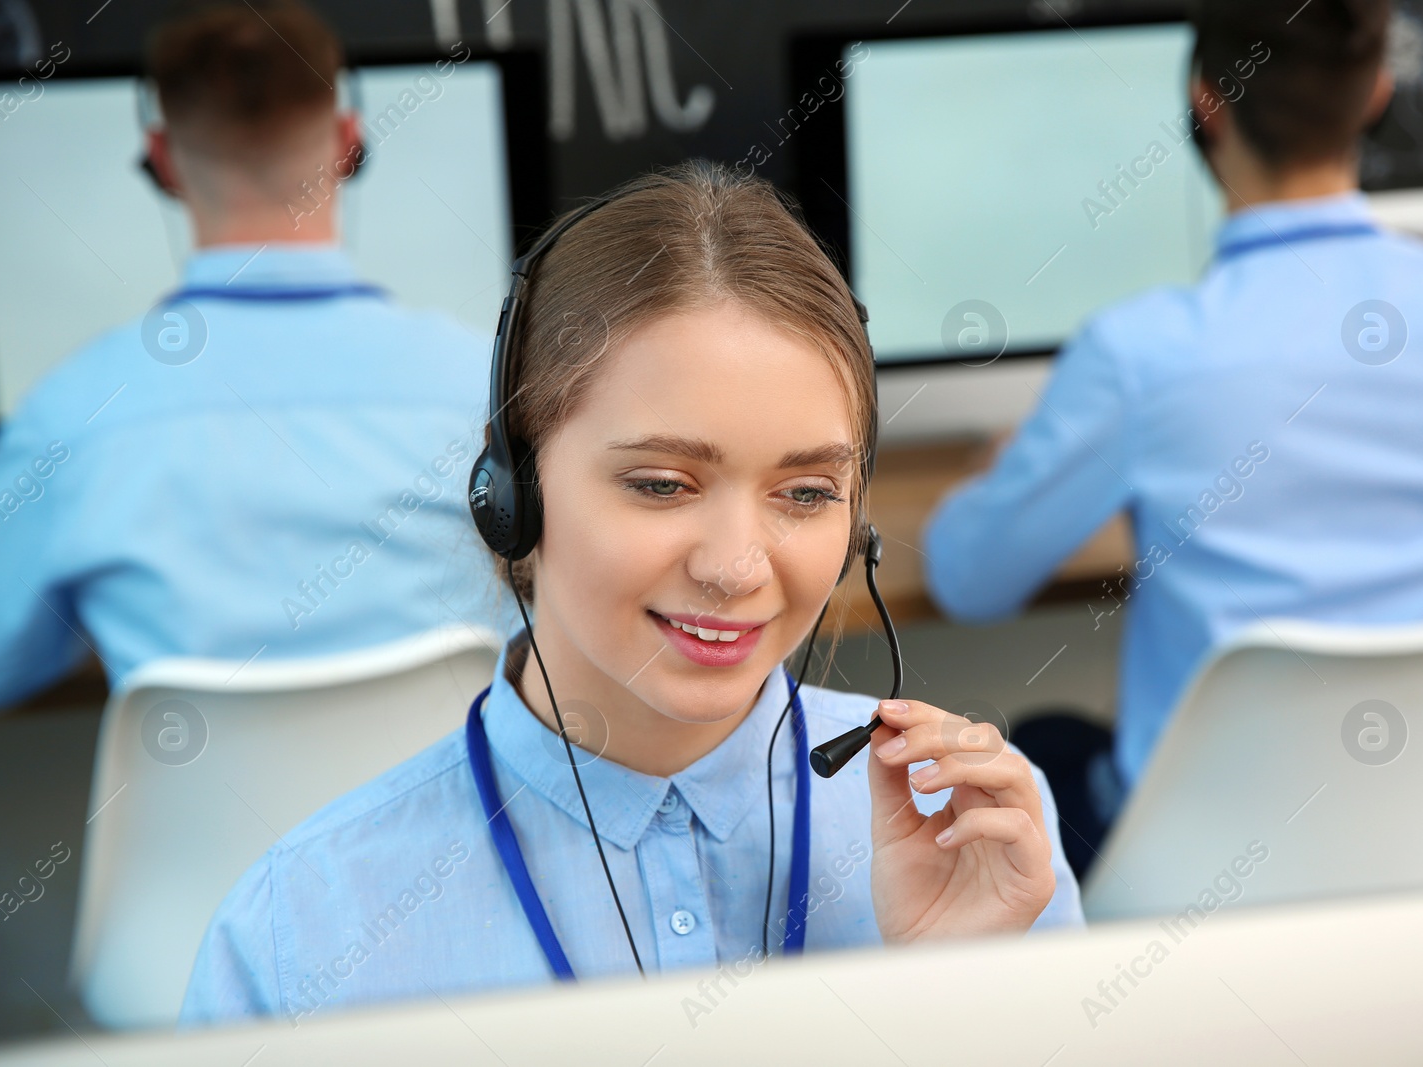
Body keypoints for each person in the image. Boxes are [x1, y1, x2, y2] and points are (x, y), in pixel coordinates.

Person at [179, 163, 1083, 1025]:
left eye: (805, 493)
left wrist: (957, 999)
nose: (737, 567)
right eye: (661, 484)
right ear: (512, 491)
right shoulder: (300, 934)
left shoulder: (978, 835)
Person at [922, 0, 1423, 873]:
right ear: (1378, 92)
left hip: (1195, 869)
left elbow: (969, 581)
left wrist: (1008, 471)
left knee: (1038, 741)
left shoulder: (1139, 351)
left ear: (1206, 103)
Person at [0, 1, 498, 707]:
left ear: (161, 161)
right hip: (463, 816)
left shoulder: (69, 415)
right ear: (349, 143)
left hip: (193, 821)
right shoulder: (491, 386)